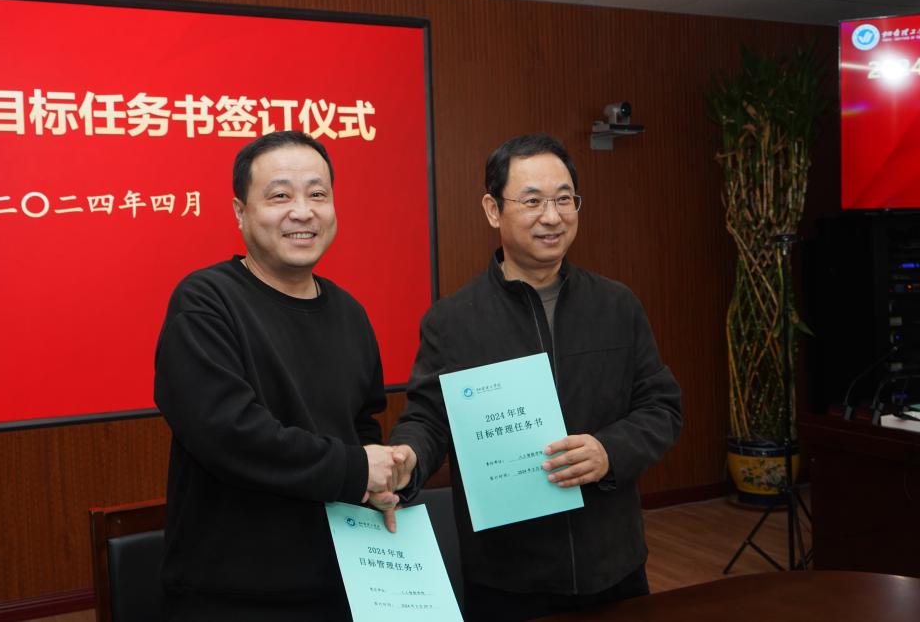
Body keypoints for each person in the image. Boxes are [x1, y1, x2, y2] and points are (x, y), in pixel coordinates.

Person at [377, 133, 682, 621]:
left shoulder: (616, 305)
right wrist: (407, 455)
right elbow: (430, 419)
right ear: (493, 210)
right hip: (507, 578)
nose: (552, 216)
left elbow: (661, 407)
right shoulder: (453, 321)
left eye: (564, 199)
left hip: (613, 564)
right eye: (533, 201)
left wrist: (609, 451)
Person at [154, 131, 402, 621]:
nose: (303, 211)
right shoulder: (205, 302)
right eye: (280, 195)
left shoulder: (350, 313)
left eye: (318, 194)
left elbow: (362, 426)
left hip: (345, 582)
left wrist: (383, 473)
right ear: (240, 212)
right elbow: (229, 434)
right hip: (233, 596)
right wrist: (354, 469)